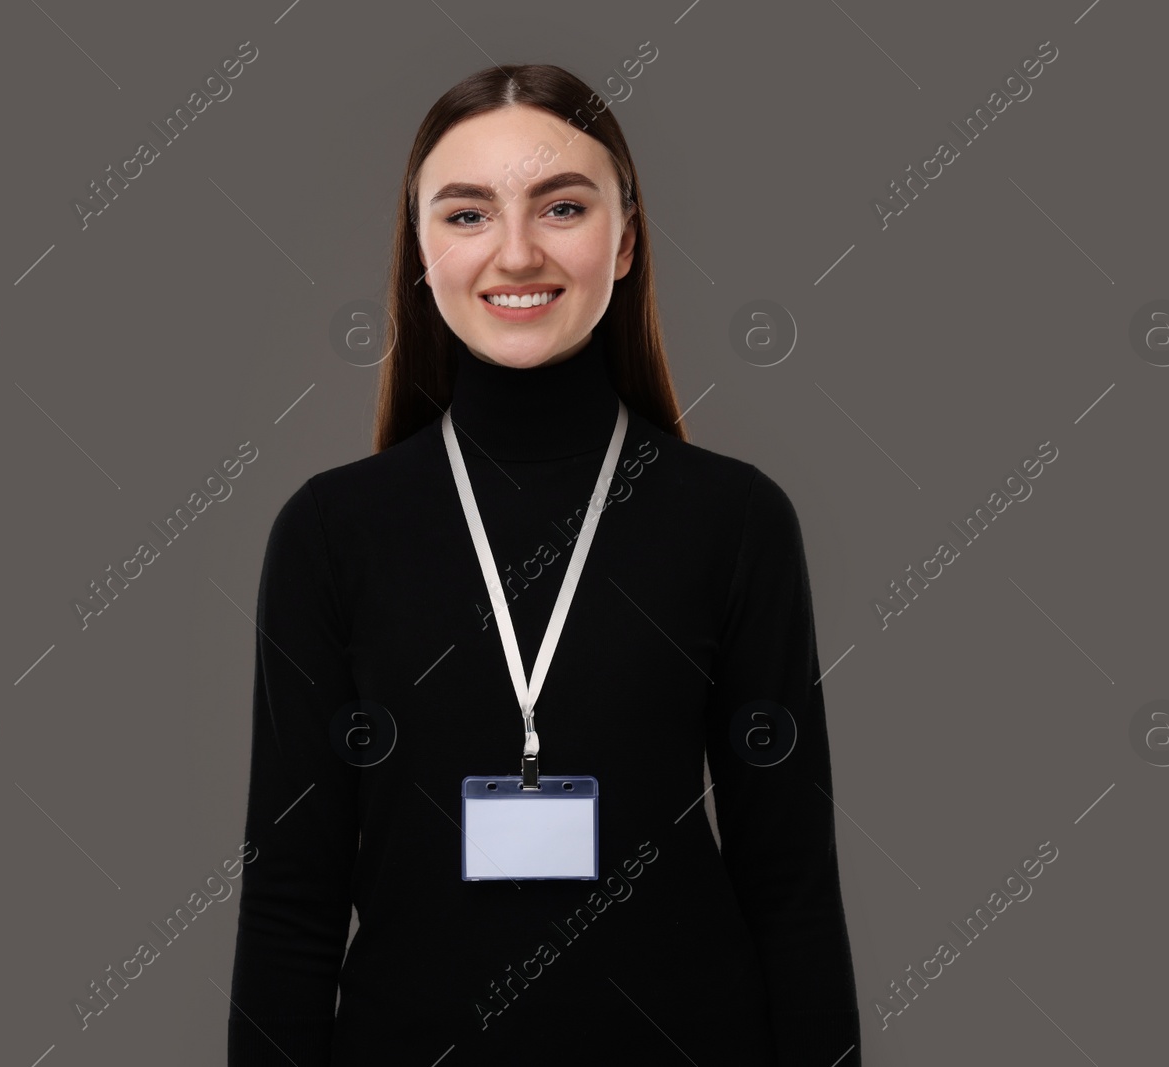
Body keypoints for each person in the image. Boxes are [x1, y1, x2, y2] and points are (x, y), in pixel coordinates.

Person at [226, 63, 859, 1066]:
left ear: (626, 236)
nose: (516, 252)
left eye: (561, 205)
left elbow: (789, 881)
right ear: (421, 252)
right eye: (467, 213)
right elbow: (291, 897)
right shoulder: (330, 530)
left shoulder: (735, 519)